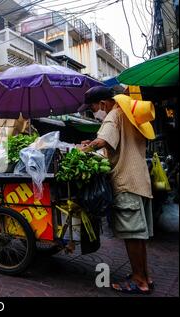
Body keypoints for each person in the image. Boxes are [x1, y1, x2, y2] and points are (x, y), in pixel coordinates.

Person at [78, 86, 156, 295]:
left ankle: (139, 281)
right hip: (140, 181)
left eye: (93, 108)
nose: (94, 112)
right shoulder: (129, 114)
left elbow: (102, 140)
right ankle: (144, 276)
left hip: (125, 183)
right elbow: (115, 145)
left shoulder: (113, 114)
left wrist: (81, 150)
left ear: (103, 103)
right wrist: (95, 145)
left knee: (131, 235)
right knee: (138, 236)